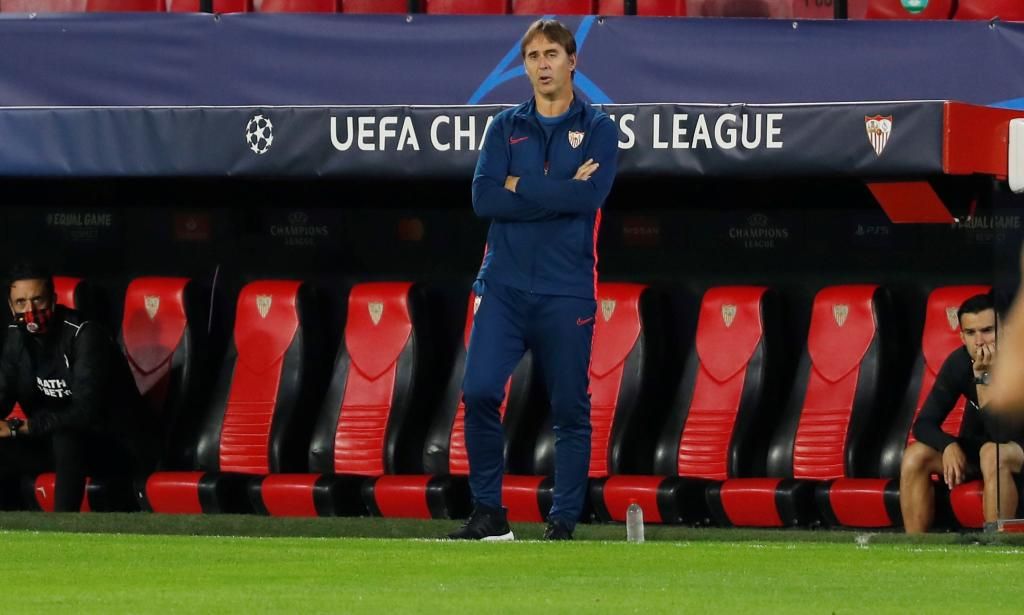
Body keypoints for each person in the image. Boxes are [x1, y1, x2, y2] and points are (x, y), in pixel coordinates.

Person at [447, 19, 619, 541]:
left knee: (569, 408)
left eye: (551, 54)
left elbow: (589, 198)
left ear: (573, 61)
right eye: (533, 57)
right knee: (479, 392)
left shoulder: (598, 128)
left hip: (567, 291)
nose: (542, 65)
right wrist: (558, 190)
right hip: (502, 287)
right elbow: (484, 199)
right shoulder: (504, 127)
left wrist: (519, 184)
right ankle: (489, 515)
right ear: (524, 66)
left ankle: (562, 522)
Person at [0, 264, 157, 511]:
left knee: (66, 435)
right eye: (21, 302)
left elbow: (84, 413)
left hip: (114, 446)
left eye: (38, 299)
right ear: (11, 307)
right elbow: (4, 392)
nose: (30, 310)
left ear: (53, 300)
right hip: (56, 447)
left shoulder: (84, 334)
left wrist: (19, 427)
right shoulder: (15, 336)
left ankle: (62, 527)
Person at [900, 293, 1024, 533]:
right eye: (970, 333)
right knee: (915, 455)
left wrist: (983, 378)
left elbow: (1002, 434)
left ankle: (996, 548)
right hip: (986, 450)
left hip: (1015, 448)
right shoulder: (959, 362)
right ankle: (915, 547)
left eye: (987, 330)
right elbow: (923, 423)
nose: (979, 341)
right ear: (962, 337)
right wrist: (947, 444)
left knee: (992, 453)